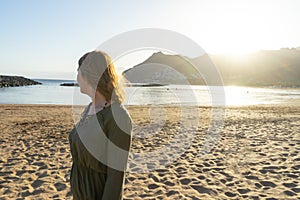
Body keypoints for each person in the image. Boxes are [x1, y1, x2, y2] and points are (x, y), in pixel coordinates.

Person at [68, 50, 132, 199]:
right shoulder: (89, 108)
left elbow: (116, 177)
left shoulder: (118, 117)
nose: (76, 78)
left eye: (78, 72)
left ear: (88, 74)